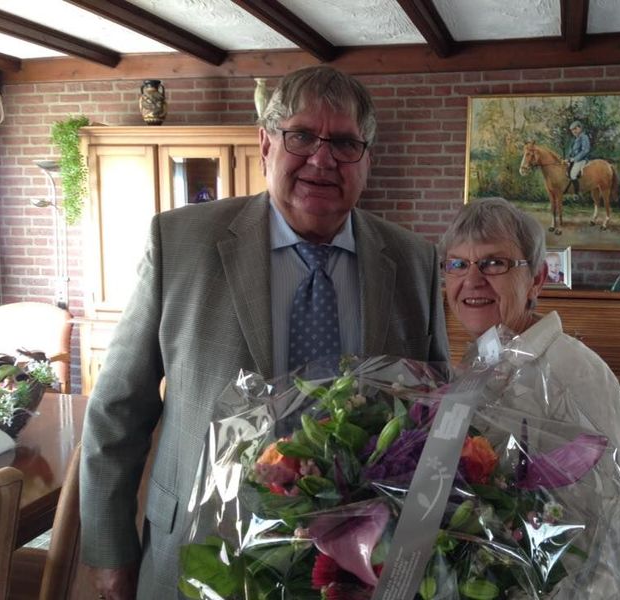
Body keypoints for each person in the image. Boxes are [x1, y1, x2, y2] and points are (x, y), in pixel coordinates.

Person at [79, 65, 450, 600]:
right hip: (202, 549)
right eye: (301, 136)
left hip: (362, 566)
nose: (322, 159)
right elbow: (118, 410)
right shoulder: (179, 243)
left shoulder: (414, 261)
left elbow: (436, 421)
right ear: (265, 144)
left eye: (345, 143)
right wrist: (110, 551)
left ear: (366, 159)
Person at [439, 197, 620, 598]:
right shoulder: (481, 359)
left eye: (494, 263)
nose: (472, 279)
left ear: (537, 278)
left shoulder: (574, 372)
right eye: (458, 263)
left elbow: (602, 533)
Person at [565, 119, 590, 195]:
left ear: (580, 128)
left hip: (581, 160)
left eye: (575, 129)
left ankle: (577, 194)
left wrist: (575, 159)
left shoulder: (584, 137)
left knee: (573, 174)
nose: (574, 131)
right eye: (572, 130)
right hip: (573, 160)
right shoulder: (575, 139)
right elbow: (571, 151)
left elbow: (585, 150)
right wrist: (568, 159)